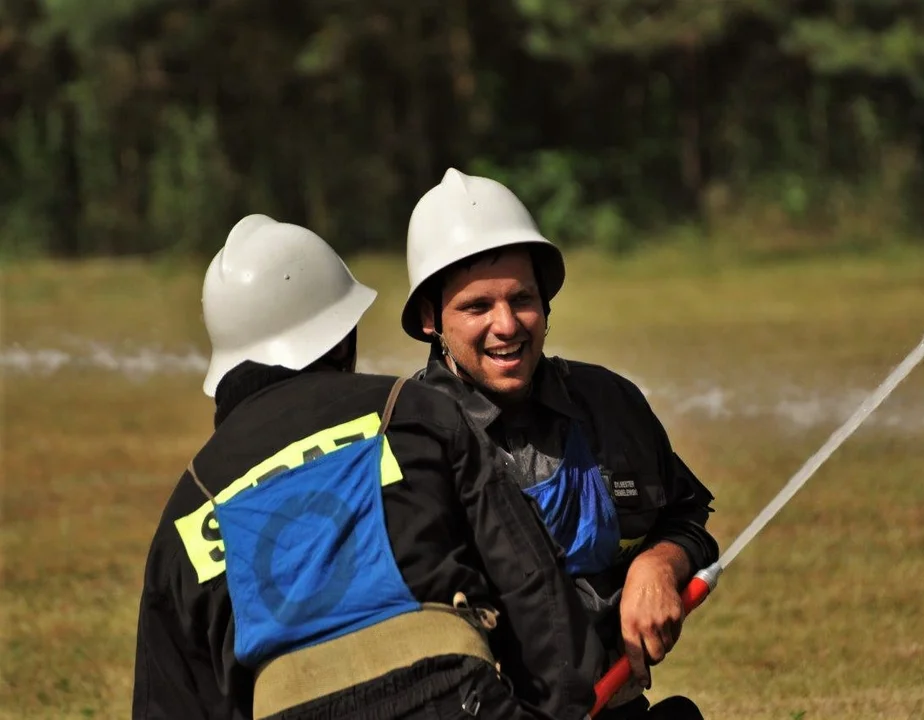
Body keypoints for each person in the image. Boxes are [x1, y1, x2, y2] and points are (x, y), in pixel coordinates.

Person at [131, 214, 605, 720]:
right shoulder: (414, 410)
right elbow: (528, 580)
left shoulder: (188, 509)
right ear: (341, 337)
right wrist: (567, 701)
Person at [399, 169, 720, 720]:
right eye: (477, 307)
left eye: (521, 298)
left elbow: (687, 519)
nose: (507, 325)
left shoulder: (609, 403)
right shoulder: (406, 442)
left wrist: (661, 564)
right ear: (431, 318)